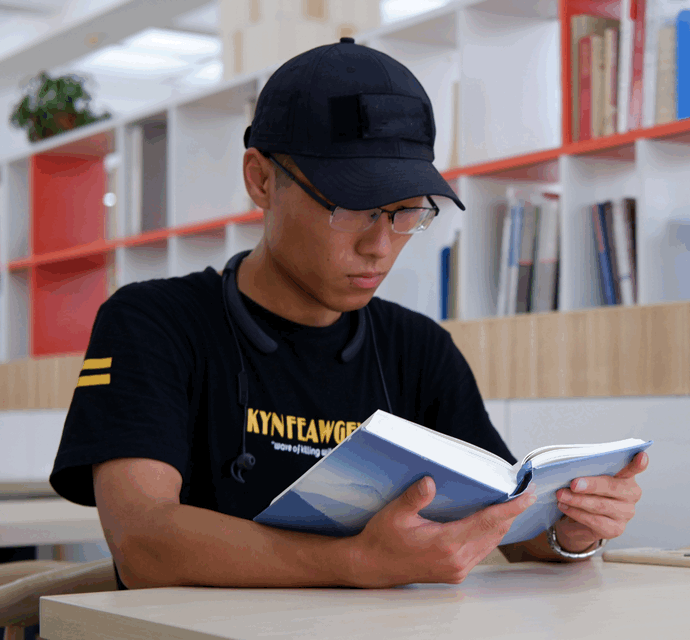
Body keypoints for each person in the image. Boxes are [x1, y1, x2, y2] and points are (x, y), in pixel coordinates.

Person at [49, 38, 649, 590]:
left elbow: (502, 526)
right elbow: (144, 543)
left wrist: (570, 530)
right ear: (262, 180)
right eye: (352, 207)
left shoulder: (419, 349)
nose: (380, 245)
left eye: (407, 211)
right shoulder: (153, 323)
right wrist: (356, 563)